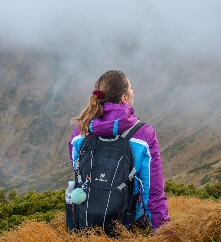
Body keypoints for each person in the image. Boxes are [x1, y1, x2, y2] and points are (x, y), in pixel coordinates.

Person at [67, 70, 171, 230]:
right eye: (131, 88)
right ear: (124, 98)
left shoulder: (80, 131)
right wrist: (164, 233)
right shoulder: (144, 135)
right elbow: (153, 194)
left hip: (85, 222)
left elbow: (78, 169)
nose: (133, 92)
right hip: (127, 227)